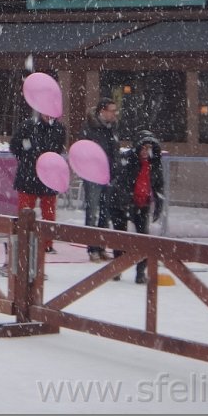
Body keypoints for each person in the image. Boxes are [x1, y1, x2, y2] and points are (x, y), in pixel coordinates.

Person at [108, 131, 165, 283]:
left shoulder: (154, 164)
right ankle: (117, 268)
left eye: (149, 148)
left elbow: (159, 186)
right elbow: (120, 183)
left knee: (143, 239)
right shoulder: (127, 161)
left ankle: (140, 272)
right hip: (120, 204)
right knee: (120, 237)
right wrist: (126, 203)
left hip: (142, 203)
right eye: (143, 148)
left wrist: (159, 204)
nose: (146, 151)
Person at [10, 108, 67, 253]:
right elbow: (14, 146)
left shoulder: (59, 129)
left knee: (49, 214)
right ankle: (22, 241)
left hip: (48, 177)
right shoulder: (28, 126)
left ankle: (47, 243)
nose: (48, 115)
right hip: (29, 176)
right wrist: (28, 158)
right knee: (24, 212)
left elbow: (58, 150)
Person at [79, 97, 120, 262]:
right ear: (102, 111)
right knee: (92, 212)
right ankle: (92, 248)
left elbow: (114, 150)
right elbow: (83, 150)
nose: (114, 114)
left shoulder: (113, 128)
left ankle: (101, 246)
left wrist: (115, 168)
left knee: (106, 213)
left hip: (109, 174)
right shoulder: (89, 127)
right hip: (93, 175)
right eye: (111, 110)